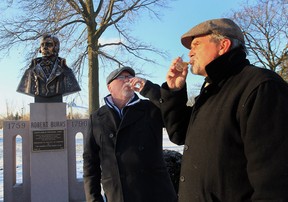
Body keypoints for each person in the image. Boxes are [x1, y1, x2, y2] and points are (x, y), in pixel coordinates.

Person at [140, 18, 288, 201]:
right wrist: (174, 91)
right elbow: (180, 134)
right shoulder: (212, 90)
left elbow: (275, 185)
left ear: (223, 45)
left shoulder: (261, 87)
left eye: (196, 45)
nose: (190, 54)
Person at [83, 66, 177, 202]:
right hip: (118, 194)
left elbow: (171, 108)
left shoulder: (150, 108)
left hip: (155, 193)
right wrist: (93, 198)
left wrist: (149, 89)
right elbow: (90, 161)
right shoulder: (97, 118)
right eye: (122, 77)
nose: (127, 80)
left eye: (130, 77)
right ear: (110, 87)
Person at [17, 34, 81, 102]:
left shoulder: (66, 71)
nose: (44, 47)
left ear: (56, 47)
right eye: (42, 45)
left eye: (49, 44)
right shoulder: (30, 71)